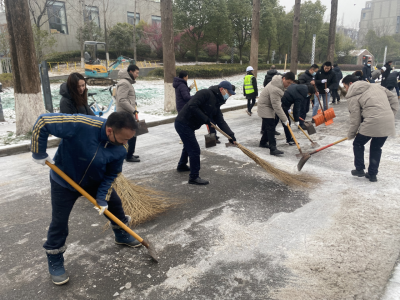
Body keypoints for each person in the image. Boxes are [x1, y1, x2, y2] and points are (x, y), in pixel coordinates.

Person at [31, 112, 141, 285]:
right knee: (59, 221)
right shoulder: (82, 124)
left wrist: (102, 198)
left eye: (129, 139)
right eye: (123, 139)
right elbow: (44, 121)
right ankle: (54, 257)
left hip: (94, 181)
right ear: (110, 130)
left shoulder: (121, 147)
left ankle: (121, 234)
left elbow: (112, 174)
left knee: (115, 205)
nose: (126, 144)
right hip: (64, 180)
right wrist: (38, 152)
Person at [174, 81, 237, 185]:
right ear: (221, 89)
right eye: (228, 93)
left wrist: (231, 135)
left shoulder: (217, 102)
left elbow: (220, 121)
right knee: (194, 149)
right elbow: (192, 105)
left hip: (189, 125)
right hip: (183, 123)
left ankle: (182, 165)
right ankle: (194, 177)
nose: (228, 96)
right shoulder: (205, 93)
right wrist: (206, 119)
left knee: (188, 145)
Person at [343, 75, 398, 182]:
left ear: (350, 84)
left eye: (345, 87)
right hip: (387, 122)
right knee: (376, 148)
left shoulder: (352, 95)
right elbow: (394, 100)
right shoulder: (376, 86)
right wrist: (390, 115)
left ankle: (359, 169)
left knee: (358, 144)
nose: (345, 90)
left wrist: (351, 134)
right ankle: (372, 175)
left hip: (371, 122)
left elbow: (355, 119)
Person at [258, 72, 295, 155]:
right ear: (283, 78)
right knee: (271, 127)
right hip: (265, 107)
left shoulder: (278, 84)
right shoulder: (276, 88)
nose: (288, 85)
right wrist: (285, 119)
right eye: (288, 82)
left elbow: (277, 103)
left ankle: (263, 142)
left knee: (271, 125)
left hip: (268, 105)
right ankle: (273, 148)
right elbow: (277, 106)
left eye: (290, 83)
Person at [116, 65, 141, 163]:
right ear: (131, 71)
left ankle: (129, 154)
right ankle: (128, 155)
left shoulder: (127, 82)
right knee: (130, 133)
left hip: (127, 112)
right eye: (136, 73)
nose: (137, 75)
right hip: (125, 113)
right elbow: (122, 99)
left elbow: (128, 98)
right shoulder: (124, 83)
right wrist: (133, 110)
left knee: (132, 133)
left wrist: (133, 104)